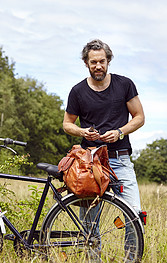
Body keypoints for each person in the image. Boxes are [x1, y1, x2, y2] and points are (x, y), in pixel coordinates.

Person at [63, 39, 145, 215]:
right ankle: (92, 244)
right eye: (93, 62)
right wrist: (82, 131)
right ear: (86, 63)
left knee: (135, 215)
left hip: (120, 159)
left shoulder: (124, 85)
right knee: (89, 224)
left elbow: (139, 117)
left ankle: (132, 244)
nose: (98, 66)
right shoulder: (77, 91)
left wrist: (119, 132)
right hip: (90, 162)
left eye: (102, 61)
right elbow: (67, 124)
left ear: (108, 61)